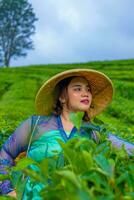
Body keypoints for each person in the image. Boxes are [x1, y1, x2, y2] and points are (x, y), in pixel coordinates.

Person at [0, 68, 134, 199]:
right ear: (62, 97)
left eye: (88, 89)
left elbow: (127, 149)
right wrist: (8, 189)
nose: (85, 93)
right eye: (77, 89)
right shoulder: (36, 125)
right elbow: (6, 153)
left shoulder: (94, 132)